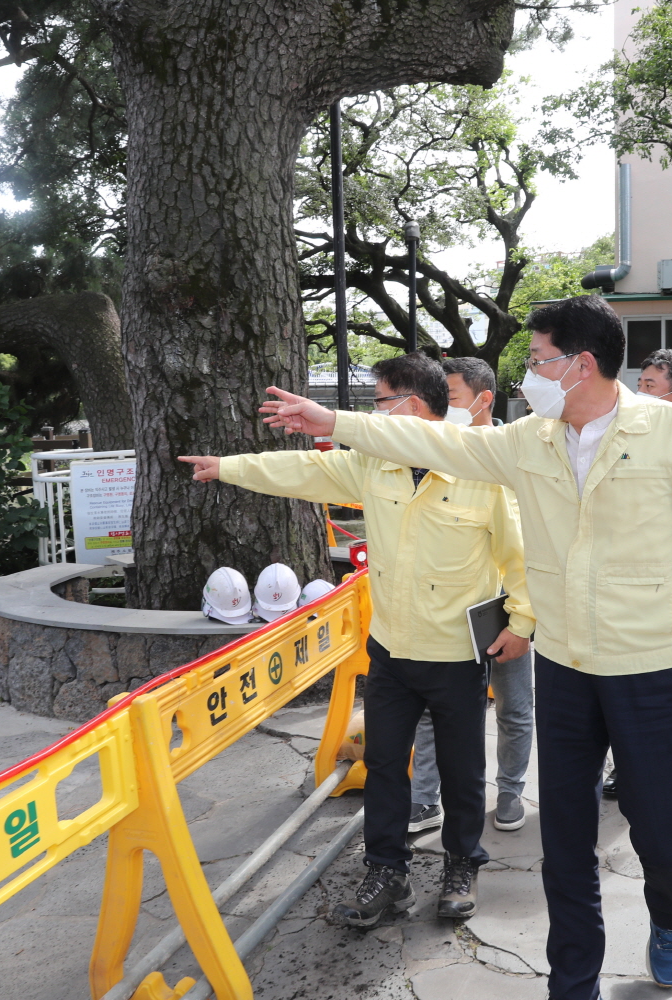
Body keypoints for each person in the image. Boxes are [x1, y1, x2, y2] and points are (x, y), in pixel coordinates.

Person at [257, 295, 672, 994]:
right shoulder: (531, 436)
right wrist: (335, 422)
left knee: (661, 829)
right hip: (563, 666)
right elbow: (446, 443)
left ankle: (671, 916)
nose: (526, 372)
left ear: (579, 364)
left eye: (536, 360)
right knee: (564, 840)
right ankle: (573, 982)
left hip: (650, 667)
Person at [178, 354, 533, 927]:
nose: (372, 414)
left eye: (380, 402)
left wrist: (522, 623)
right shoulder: (374, 466)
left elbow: (520, 556)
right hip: (392, 650)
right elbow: (301, 474)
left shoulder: (480, 470)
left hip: (456, 655)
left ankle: (461, 865)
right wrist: (228, 467)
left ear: (410, 407)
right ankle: (386, 874)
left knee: (465, 772)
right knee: (386, 765)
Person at [410, 356, 534, 835]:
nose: (439, 408)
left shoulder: (517, 451)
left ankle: (509, 792)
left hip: (503, 605)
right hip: (444, 608)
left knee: (513, 706)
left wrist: (524, 613)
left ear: (483, 400)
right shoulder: (431, 448)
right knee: (430, 709)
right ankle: (425, 800)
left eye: (451, 397)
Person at [603, 349, 672, 800]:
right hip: (615, 587)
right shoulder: (614, 434)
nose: (637, 391)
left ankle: (654, 767)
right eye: (639, 382)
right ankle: (618, 766)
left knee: (664, 683)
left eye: (649, 385)